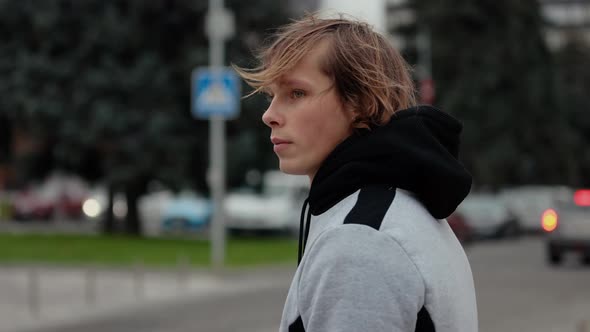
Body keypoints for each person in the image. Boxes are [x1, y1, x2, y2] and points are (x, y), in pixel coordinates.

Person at [235, 14, 478, 332]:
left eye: (296, 93)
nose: (269, 115)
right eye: (271, 96)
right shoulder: (394, 211)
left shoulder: (361, 240)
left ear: (360, 103)